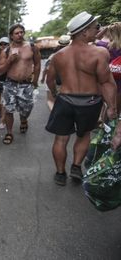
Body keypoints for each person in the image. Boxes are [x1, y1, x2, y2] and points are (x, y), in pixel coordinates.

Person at [45, 11, 117, 186]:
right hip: (90, 102)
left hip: (65, 100)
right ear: (84, 31)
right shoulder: (100, 53)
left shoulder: (59, 55)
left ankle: (60, 174)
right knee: (84, 135)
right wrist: (111, 106)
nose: (97, 31)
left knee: (61, 138)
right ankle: (76, 167)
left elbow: (50, 80)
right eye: (95, 28)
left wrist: (55, 94)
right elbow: (106, 82)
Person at [0, 23, 41, 144]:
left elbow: (37, 64)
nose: (19, 35)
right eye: (16, 33)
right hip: (10, 84)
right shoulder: (6, 51)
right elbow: (0, 71)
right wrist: (9, 61)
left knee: (26, 109)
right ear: (11, 36)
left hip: (26, 85)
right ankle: (9, 132)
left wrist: (35, 80)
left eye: (21, 32)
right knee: (8, 110)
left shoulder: (32, 47)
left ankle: (23, 120)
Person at [40, 35, 71, 110]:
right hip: (68, 83)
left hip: (55, 81)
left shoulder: (53, 56)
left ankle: (54, 114)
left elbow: (46, 69)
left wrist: (43, 78)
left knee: (50, 101)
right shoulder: (73, 55)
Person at [96, 22, 121, 114]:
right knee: (118, 109)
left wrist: (105, 29)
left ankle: (105, 124)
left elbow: (95, 39)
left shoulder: (103, 45)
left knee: (108, 105)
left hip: (109, 78)